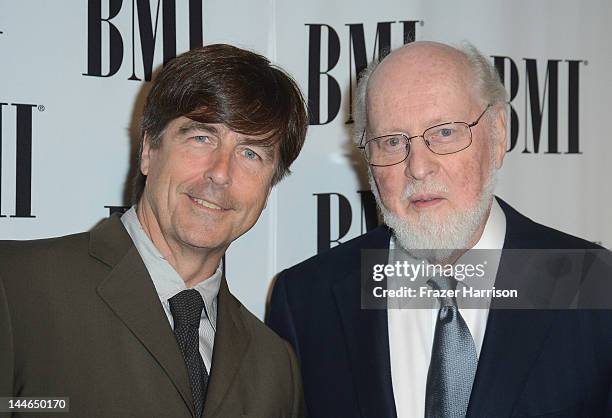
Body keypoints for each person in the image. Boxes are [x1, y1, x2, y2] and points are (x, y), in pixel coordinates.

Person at [267, 41, 612, 418]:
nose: (418, 167)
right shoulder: (306, 301)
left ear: (497, 135)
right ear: (367, 157)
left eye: (445, 132)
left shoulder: (593, 286)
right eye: (392, 141)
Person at [0, 44, 308, 418]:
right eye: (201, 137)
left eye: (251, 153)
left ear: (269, 186)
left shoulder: (276, 367)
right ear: (148, 148)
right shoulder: (16, 287)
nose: (221, 173)